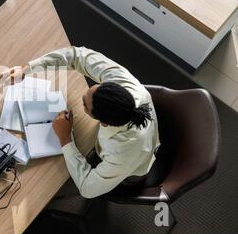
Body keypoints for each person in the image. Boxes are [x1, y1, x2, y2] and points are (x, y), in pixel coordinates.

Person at [9, 46, 160, 198]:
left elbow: (88, 189)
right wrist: (27, 69)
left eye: (84, 104)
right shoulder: (122, 81)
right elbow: (78, 55)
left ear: (103, 123)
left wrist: (65, 138)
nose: (82, 96)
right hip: (119, 143)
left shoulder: (122, 151)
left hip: (129, 173)